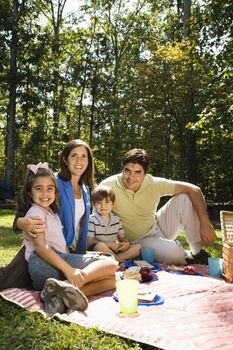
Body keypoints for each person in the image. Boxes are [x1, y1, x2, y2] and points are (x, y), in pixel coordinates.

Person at [18, 163, 117, 315]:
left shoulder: (51, 212)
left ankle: (61, 295)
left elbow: (61, 248)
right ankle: (64, 285)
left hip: (55, 263)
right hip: (43, 263)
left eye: (50, 188)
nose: (45, 193)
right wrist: (69, 270)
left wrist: (79, 259)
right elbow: (41, 247)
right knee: (110, 263)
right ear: (30, 192)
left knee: (112, 280)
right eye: (39, 189)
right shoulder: (35, 214)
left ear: (55, 191)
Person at [0, 139, 99, 291]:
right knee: (7, 282)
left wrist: (81, 252)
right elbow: (27, 210)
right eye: (74, 156)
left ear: (89, 160)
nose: (79, 161)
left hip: (68, 251)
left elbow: (81, 225)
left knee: (102, 265)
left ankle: (67, 289)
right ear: (65, 159)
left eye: (84, 156)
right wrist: (20, 222)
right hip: (44, 251)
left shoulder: (85, 188)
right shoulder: (54, 181)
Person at [101, 148, 217, 265]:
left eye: (137, 172)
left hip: (157, 227)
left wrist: (205, 223)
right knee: (176, 253)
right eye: (127, 170)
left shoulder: (153, 183)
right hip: (137, 241)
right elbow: (98, 216)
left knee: (184, 198)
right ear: (122, 168)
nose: (131, 177)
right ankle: (183, 255)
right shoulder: (108, 186)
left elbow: (194, 190)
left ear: (145, 174)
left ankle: (197, 253)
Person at [87, 184, 141, 262]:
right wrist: (109, 244)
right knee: (100, 246)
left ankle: (117, 259)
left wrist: (126, 243)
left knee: (138, 247)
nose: (103, 206)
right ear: (94, 205)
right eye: (99, 203)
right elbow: (89, 242)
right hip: (99, 251)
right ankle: (120, 261)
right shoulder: (92, 219)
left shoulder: (116, 219)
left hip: (114, 250)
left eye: (107, 202)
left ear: (113, 204)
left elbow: (122, 237)